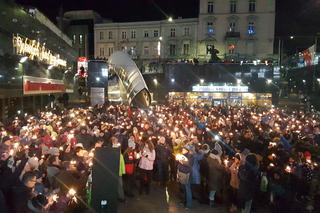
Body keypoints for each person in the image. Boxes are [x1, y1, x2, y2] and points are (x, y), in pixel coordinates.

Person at [207, 142, 225, 207]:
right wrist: (224, 166)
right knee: (213, 190)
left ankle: (212, 200)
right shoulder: (214, 160)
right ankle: (211, 202)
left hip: (213, 176)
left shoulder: (210, 158)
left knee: (213, 189)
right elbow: (219, 167)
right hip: (215, 177)